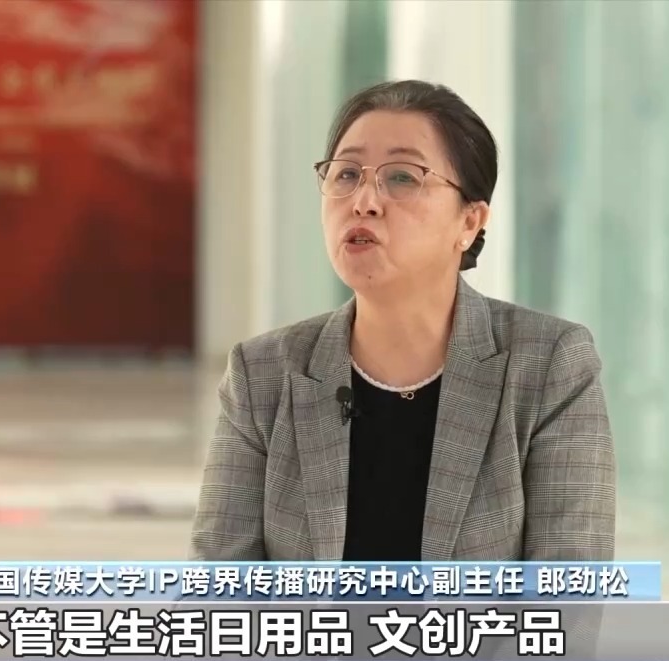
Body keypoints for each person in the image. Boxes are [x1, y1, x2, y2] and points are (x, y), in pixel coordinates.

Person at [190, 80, 615, 567]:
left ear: (469, 222)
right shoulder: (263, 373)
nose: (363, 201)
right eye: (346, 174)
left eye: (402, 178)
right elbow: (219, 587)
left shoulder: (550, 365)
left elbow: (567, 591)